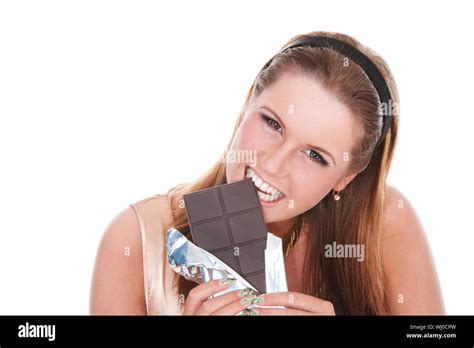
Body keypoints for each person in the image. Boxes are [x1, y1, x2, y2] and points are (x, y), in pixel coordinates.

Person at [89, 31, 445, 315]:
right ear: (247, 104)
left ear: (344, 179)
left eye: (314, 155)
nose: (273, 165)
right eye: (273, 123)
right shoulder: (135, 241)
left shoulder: (383, 224)